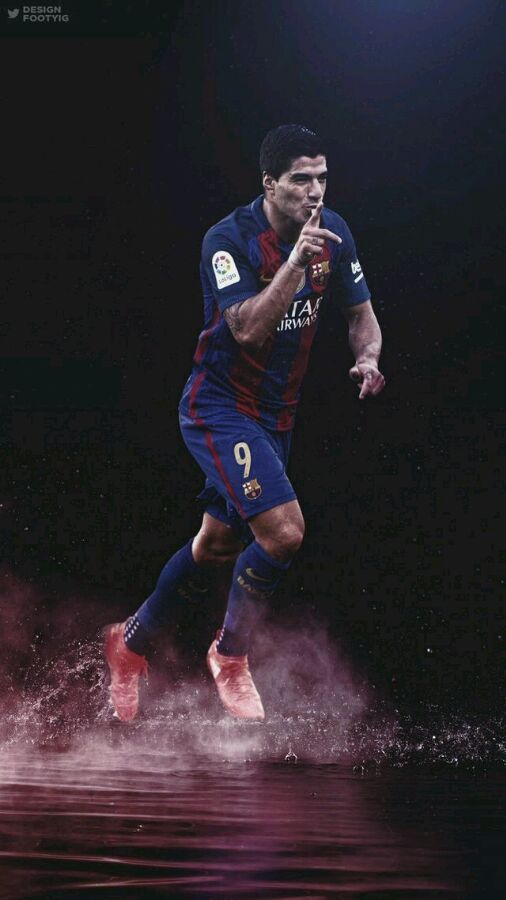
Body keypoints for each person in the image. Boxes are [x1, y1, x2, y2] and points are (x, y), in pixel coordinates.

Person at [104, 124, 385, 723]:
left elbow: (360, 313)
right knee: (283, 533)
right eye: (301, 180)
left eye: (323, 178)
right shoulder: (227, 241)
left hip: (275, 418)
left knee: (216, 545)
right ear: (270, 184)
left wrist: (368, 357)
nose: (316, 192)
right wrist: (295, 261)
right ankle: (230, 655)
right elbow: (250, 330)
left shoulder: (335, 234)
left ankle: (128, 644)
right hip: (219, 408)